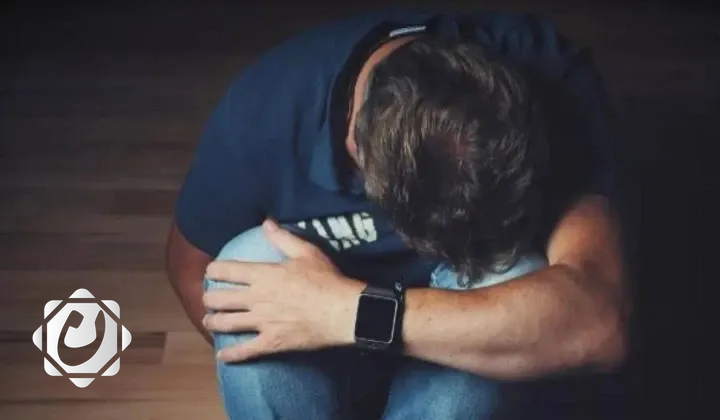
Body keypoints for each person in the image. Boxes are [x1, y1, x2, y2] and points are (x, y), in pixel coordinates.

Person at [165, 6, 629, 420]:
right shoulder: (264, 112)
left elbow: (598, 322)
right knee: (247, 265)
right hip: (326, 337)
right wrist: (310, 352)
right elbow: (190, 267)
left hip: (431, 349)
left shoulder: (553, 77)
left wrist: (350, 314)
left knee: (518, 272)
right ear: (356, 149)